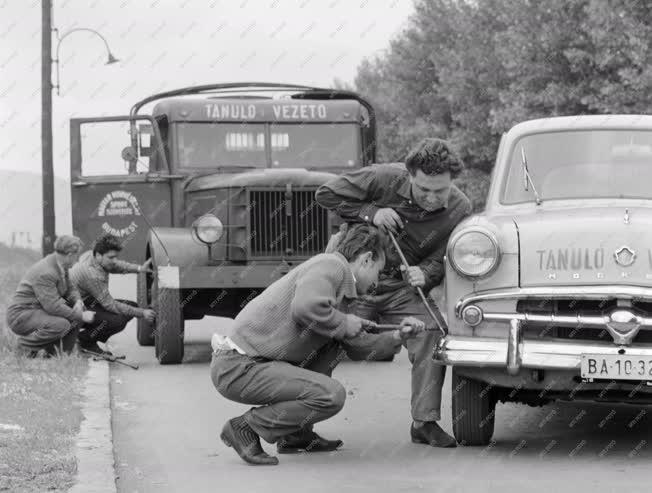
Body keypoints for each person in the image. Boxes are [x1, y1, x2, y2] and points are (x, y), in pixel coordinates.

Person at [211, 223, 424, 466]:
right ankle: (245, 427)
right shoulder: (331, 265)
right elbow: (305, 307)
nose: (377, 281)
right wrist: (344, 322)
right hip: (238, 367)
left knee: (329, 347)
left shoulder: (341, 290)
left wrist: (398, 336)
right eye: (379, 270)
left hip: (251, 366)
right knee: (331, 395)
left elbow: (357, 346)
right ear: (366, 260)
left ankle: (295, 435)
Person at [315, 137, 473, 448]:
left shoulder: (462, 208)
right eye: (423, 189)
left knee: (432, 331)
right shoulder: (383, 177)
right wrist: (370, 212)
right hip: (354, 280)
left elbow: (448, 256)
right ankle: (297, 427)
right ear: (409, 174)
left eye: (439, 191)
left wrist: (426, 273)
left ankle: (424, 422)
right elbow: (325, 194)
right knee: (317, 336)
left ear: (452, 180)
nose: (430, 197)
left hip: (401, 288)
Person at [5, 235, 95, 357]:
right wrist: (81, 315)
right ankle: (24, 347)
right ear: (69, 255)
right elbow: (53, 306)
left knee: (76, 313)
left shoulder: (60, 264)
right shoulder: (46, 271)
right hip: (21, 315)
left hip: (38, 310)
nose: (77, 260)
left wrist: (78, 302)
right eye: (77, 256)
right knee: (61, 324)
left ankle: (56, 355)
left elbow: (71, 288)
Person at [69, 233, 156, 355]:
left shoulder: (91, 255)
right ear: (99, 255)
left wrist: (139, 268)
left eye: (116, 257)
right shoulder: (92, 274)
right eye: (111, 258)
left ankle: (85, 339)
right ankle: (82, 340)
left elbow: (116, 266)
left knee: (130, 307)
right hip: (72, 310)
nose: (114, 261)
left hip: (84, 301)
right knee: (117, 321)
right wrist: (142, 313)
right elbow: (110, 305)